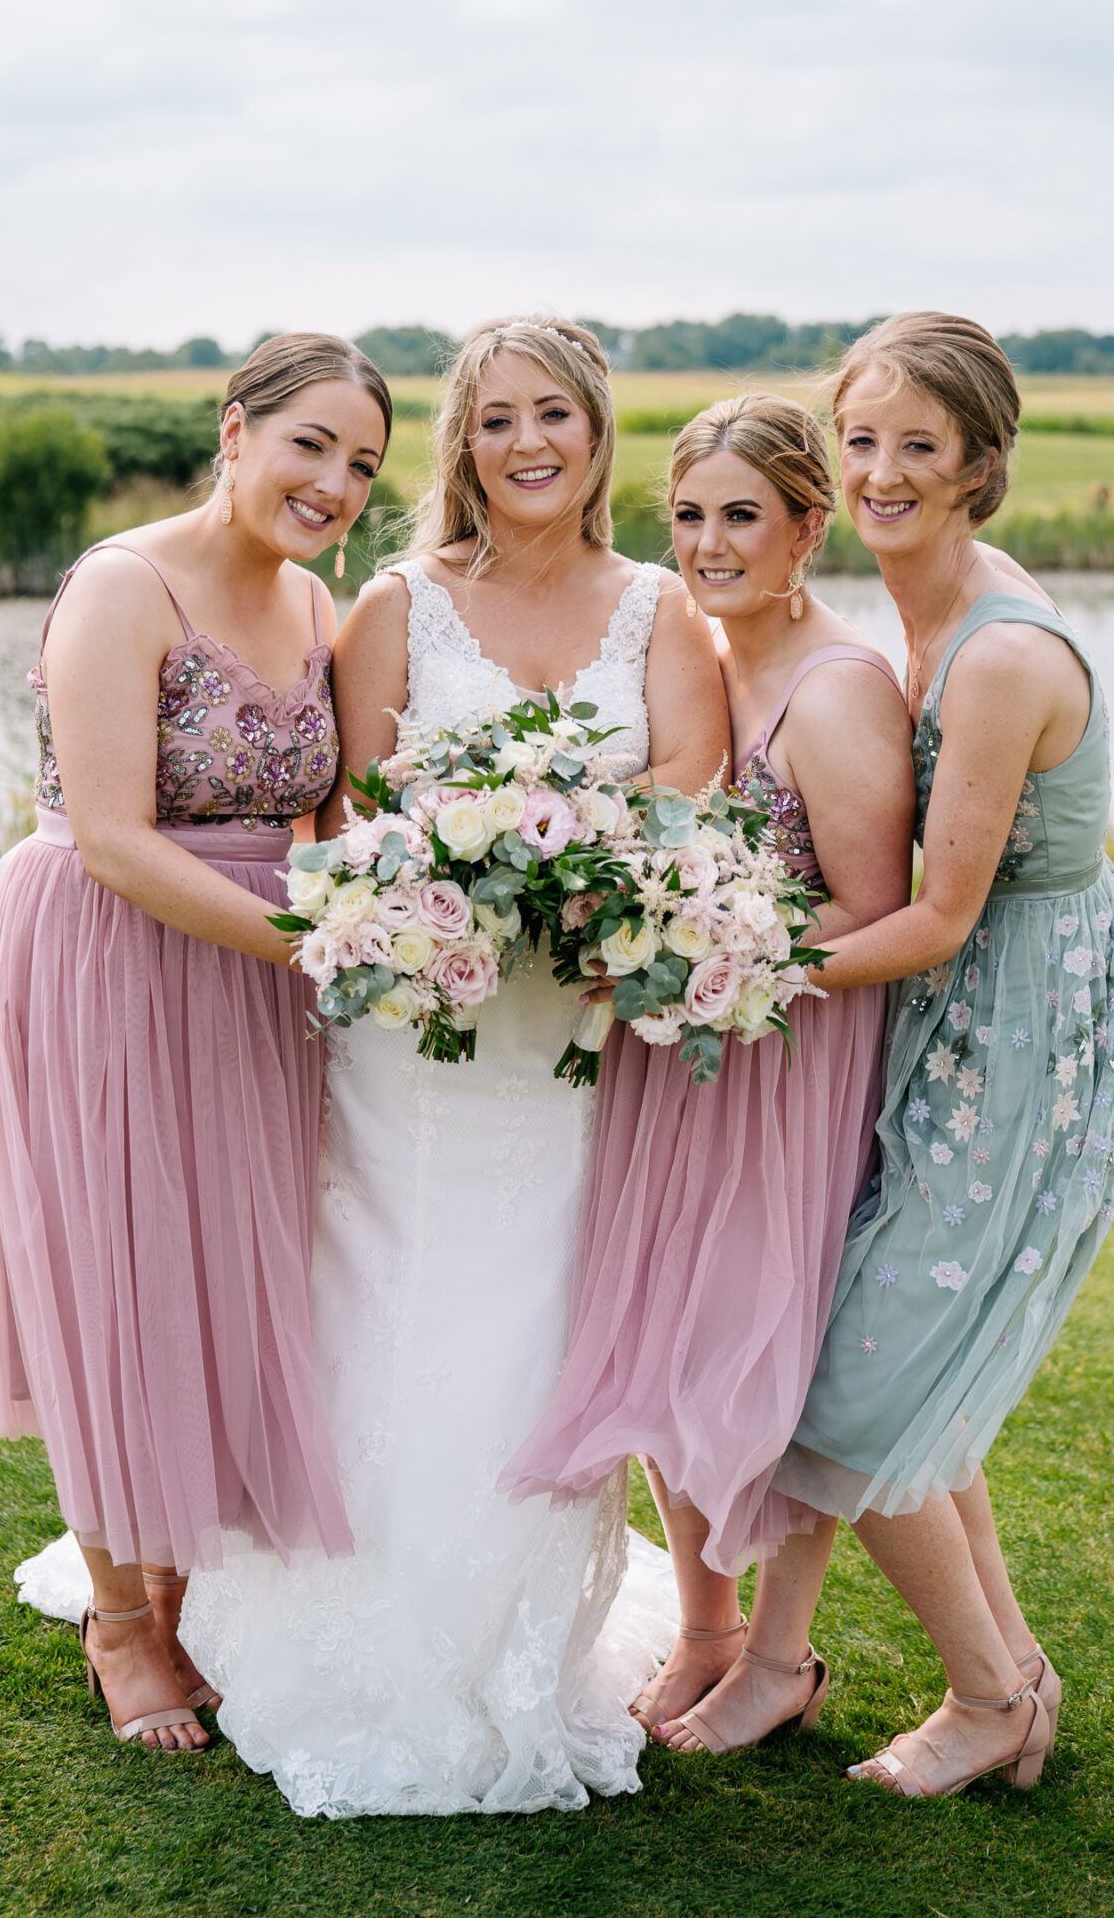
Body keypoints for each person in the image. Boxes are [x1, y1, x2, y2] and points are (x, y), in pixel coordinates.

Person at [180, 315, 729, 1817]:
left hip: (560, 1035)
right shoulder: (397, 605)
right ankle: (342, 1628)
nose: (526, 443)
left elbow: (689, 792)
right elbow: (344, 814)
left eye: (552, 413)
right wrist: (433, 896)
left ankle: (517, 1641)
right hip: (412, 1030)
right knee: (382, 1281)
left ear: (598, 432)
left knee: (535, 1297)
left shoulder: (664, 611)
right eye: (495, 420)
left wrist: (595, 880)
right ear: (462, 446)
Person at [661, 312, 1114, 1792]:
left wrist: (732, 960)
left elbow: (941, 917)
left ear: (979, 467)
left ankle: (989, 1695)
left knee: (858, 1392)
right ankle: (935, 1671)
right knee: (898, 1369)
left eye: (914, 450)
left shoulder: (999, 654)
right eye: (861, 438)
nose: (878, 473)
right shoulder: (914, 619)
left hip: (1029, 1040)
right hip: (952, 1025)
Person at [0, 334, 391, 1752]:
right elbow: (107, 835)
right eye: (312, 445)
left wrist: (393, 898)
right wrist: (305, 942)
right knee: (113, 1263)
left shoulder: (316, 598)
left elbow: (325, 809)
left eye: (364, 465)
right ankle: (118, 1620)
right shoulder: (120, 584)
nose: (334, 483)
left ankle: (173, 1577)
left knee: (224, 1261)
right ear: (236, 429)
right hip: (113, 950)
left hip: (262, 979)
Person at [502, 394, 914, 1752]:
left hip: (784, 1061)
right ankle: (705, 1629)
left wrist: (721, 969)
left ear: (810, 523)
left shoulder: (838, 685)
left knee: (758, 1353)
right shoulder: (696, 661)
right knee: (667, 1340)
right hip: (678, 1055)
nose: (710, 542)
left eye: (743, 515)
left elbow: (866, 908)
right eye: (689, 515)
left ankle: (782, 1660)